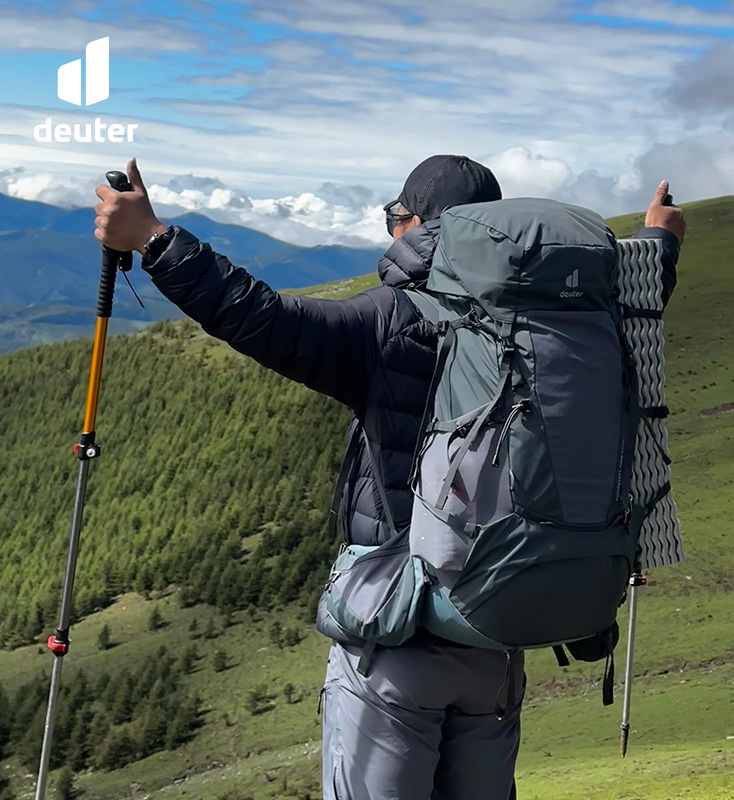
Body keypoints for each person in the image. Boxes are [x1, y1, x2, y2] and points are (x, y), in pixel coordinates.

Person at [94, 155, 685, 800]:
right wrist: (659, 240)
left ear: (415, 226)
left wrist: (152, 237)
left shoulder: (387, 321)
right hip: (496, 629)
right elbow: (642, 303)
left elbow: (261, 317)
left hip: (397, 630)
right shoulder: (556, 322)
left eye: (392, 220)